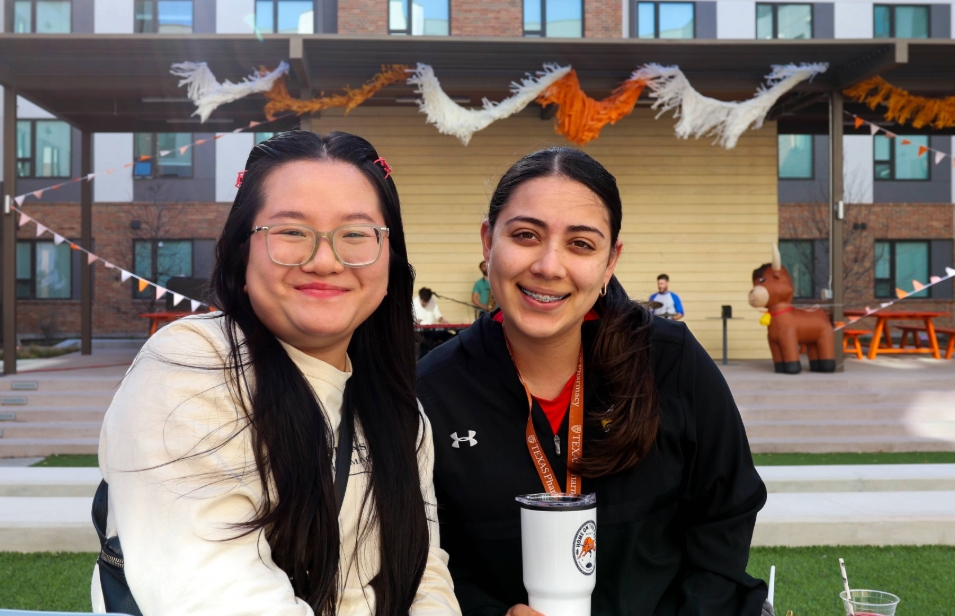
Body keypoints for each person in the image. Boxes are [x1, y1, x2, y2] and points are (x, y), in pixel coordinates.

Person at [94, 131, 459, 616]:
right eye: (291, 232)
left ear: (389, 258)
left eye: (355, 234)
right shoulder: (193, 367)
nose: (326, 260)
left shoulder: (400, 410)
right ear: (241, 254)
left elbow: (425, 572)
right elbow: (218, 596)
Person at [417, 147, 768, 616]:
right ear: (488, 241)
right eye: (525, 235)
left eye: (581, 243)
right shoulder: (431, 391)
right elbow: (417, 554)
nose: (548, 265)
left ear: (610, 260)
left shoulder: (671, 361)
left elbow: (726, 512)